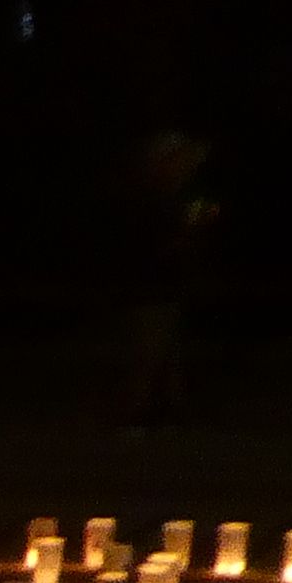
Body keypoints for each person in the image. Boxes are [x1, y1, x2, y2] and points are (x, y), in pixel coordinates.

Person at [110, 123, 217, 428]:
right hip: (147, 291)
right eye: (178, 160)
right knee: (150, 356)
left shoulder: (170, 197)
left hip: (163, 288)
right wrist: (191, 230)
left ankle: (176, 413)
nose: (186, 167)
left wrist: (196, 225)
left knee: (167, 354)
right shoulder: (148, 199)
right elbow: (154, 250)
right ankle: (130, 419)